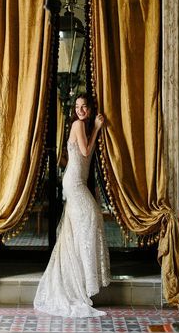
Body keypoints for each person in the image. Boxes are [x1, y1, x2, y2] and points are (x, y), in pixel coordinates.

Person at [34, 94, 110, 317]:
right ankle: (84, 282)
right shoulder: (78, 125)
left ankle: (82, 281)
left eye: (84, 107)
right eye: (77, 107)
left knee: (79, 229)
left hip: (76, 181)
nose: (80, 110)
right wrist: (96, 128)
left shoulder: (82, 127)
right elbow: (85, 152)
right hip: (74, 184)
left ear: (90, 108)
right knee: (93, 216)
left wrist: (93, 129)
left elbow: (82, 155)